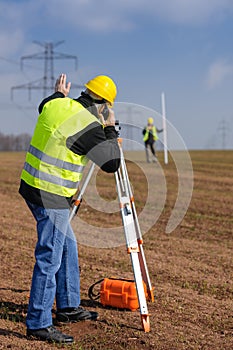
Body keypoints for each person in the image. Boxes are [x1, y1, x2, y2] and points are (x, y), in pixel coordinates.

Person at [19, 73, 121, 344]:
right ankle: (38, 323)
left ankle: (67, 306)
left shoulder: (56, 104)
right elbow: (111, 164)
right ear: (102, 104)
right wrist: (110, 128)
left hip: (31, 186)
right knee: (50, 256)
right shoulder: (89, 125)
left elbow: (45, 104)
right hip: (51, 196)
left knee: (67, 244)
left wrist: (58, 93)